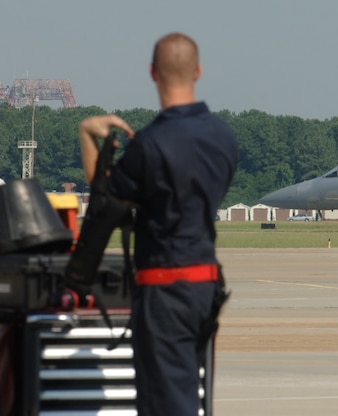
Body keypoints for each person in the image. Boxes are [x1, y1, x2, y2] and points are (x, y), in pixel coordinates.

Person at [78, 32, 239, 415]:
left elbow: (105, 204)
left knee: (165, 401)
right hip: (205, 289)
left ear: (152, 73)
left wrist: (87, 134)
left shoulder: (149, 144)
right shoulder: (224, 138)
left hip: (165, 290)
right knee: (185, 387)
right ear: (198, 71)